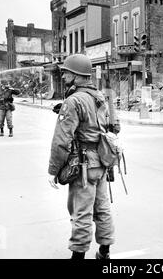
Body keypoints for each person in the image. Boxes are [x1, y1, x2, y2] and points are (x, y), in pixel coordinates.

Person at [47, 54, 120, 260]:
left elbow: (61, 140)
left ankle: (77, 256)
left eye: (66, 72)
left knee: (81, 212)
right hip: (102, 162)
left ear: (77, 75)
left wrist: (53, 171)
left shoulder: (74, 100)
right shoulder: (100, 97)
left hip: (84, 165)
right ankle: (104, 252)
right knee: (102, 208)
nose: (63, 76)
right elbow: (114, 127)